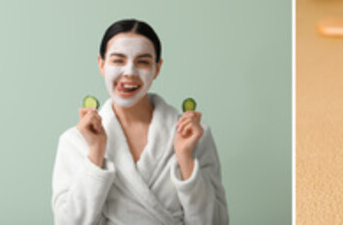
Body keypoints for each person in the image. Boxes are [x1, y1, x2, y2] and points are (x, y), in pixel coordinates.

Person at [53, 19, 229, 225]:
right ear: (102, 64)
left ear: (157, 68)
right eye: (118, 60)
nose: (129, 72)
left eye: (143, 62)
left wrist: (186, 159)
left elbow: (216, 222)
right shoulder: (74, 141)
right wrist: (95, 155)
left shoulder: (195, 136)